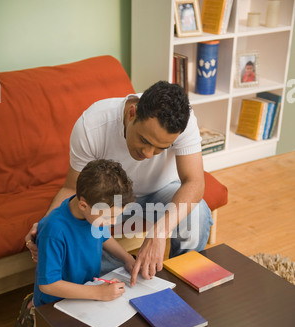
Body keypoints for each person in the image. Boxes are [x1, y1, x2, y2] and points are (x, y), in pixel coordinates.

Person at [25, 80, 213, 286]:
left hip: (162, 193)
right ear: (132, 113)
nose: (149, 154)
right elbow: (72, 189)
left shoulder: (183, 124)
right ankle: (121, 274)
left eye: (161, 148)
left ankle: (183, 284)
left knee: (198, 215)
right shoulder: (92, 125)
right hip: (112, 201)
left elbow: (194, 182)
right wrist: (45, 225)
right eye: (145, 140)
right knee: (79, 239)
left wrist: (159, 233)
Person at [14, 159, 136, 327]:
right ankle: (31, 312)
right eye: (108, 217)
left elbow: (104, 237)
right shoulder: (54, 230)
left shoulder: (94, 216)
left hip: (85, 290)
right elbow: (48, 285)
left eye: (117, 216)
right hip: (54, 304)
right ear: (83, 205)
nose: (112, 222)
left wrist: (127, 258)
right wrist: (97, 293)